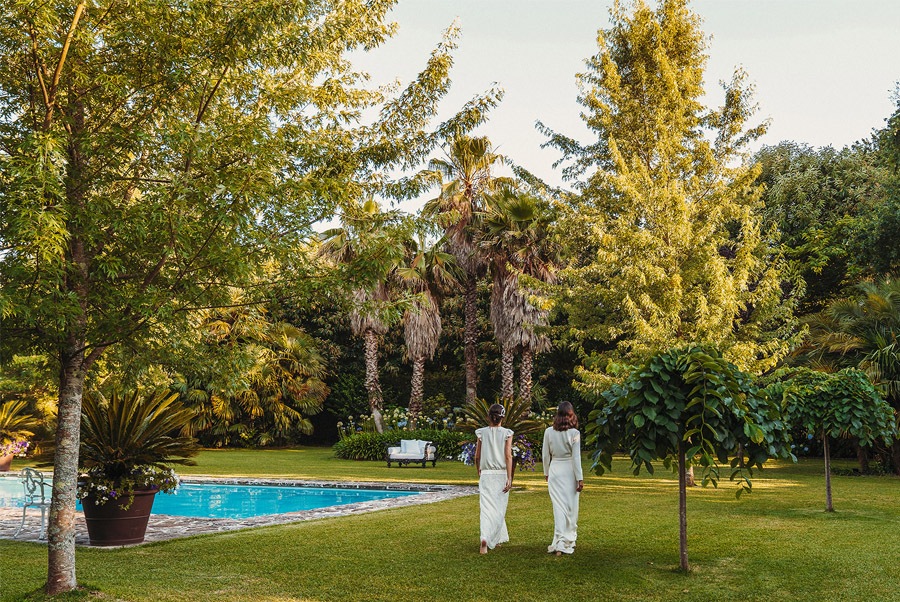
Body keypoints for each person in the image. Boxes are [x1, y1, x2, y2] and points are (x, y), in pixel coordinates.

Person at [542, 401, 584, 556]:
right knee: (571, 507)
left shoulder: (548, 432)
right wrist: (580, 478)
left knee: (558, 507)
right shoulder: (574, 434)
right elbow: (576, 458)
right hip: (569, 471)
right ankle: (565, 541)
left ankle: (559, 540)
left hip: (555, 470)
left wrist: (546, 472)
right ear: (571, 414)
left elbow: (545, 455)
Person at [474, 403, 514, 555]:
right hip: (501, 474)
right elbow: (508, 456)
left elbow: (477, 455)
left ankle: (486, 538)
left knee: (486, 508)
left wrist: (479, 469)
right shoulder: (507, 433)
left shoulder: (481, 433)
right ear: (502, 418)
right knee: (499, 508)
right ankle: (490, 538)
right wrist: (509, 478)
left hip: (486, 474)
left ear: (488, 417)